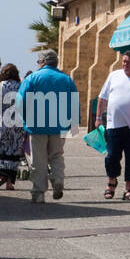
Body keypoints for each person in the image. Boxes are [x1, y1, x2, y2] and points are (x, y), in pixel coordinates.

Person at [17, 49, 78, 203]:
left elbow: (20, 102)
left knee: (38, 159)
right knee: (56, 155)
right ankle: (58, 179)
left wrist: (25, 119)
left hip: (36, 125)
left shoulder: (32, 78)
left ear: (42, 62)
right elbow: (74, 103)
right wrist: (75, 123)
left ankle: (38, 193)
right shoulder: (66, 79)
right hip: (59, 126)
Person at [97, 50, 130, 201]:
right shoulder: (113, 76)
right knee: (112, 157)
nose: (124, 64)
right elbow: (102, 98)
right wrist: (97, 118)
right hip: (114, 125)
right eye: (123, 61)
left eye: (128, 62)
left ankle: (128, 189)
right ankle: (111, 182)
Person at [0, 64, 25, 191]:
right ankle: (9, 183)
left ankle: (0, 177)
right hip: (16, 126)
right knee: (13, 152)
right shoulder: (21, 87)